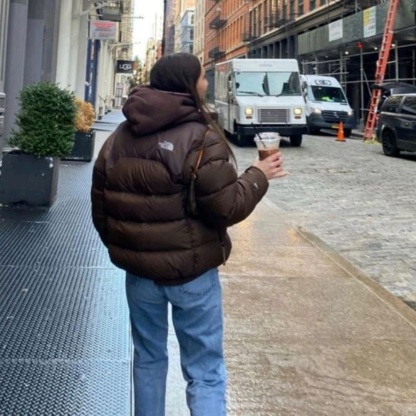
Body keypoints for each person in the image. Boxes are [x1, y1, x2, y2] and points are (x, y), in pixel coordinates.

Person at [91, 53, 287, 416]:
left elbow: (101, 207)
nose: (206, 83)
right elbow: (226, 207)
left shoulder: (119, 137)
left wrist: (129, 250)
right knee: (205, 372)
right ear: (187, 83)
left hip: (140, 276)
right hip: (192, 274)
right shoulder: (202, 137)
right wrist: (258, 175)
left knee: (148, 358)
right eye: (202, 77)